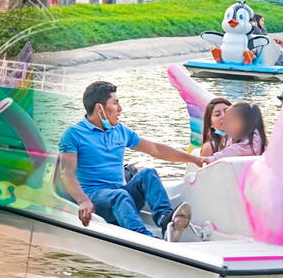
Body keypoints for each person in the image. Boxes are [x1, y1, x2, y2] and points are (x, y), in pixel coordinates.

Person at [59, 81, 203, 241]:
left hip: (118, 195)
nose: (120, 109)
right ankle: (145, 239)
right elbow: (67, 174)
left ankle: (164, 220)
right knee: (120, 195)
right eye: (115, 103)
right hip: (95, 199)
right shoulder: (73, 134)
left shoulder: (120, 131)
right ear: (100, 108)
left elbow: (155, 149)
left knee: (148, 173)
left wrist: (195, 159)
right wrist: (83, 201)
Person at [202, 102, 267, 164]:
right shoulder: (210, 146)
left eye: (225, 112)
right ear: (210, 123)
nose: (223, 117)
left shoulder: (252, 140)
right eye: (217, 114)